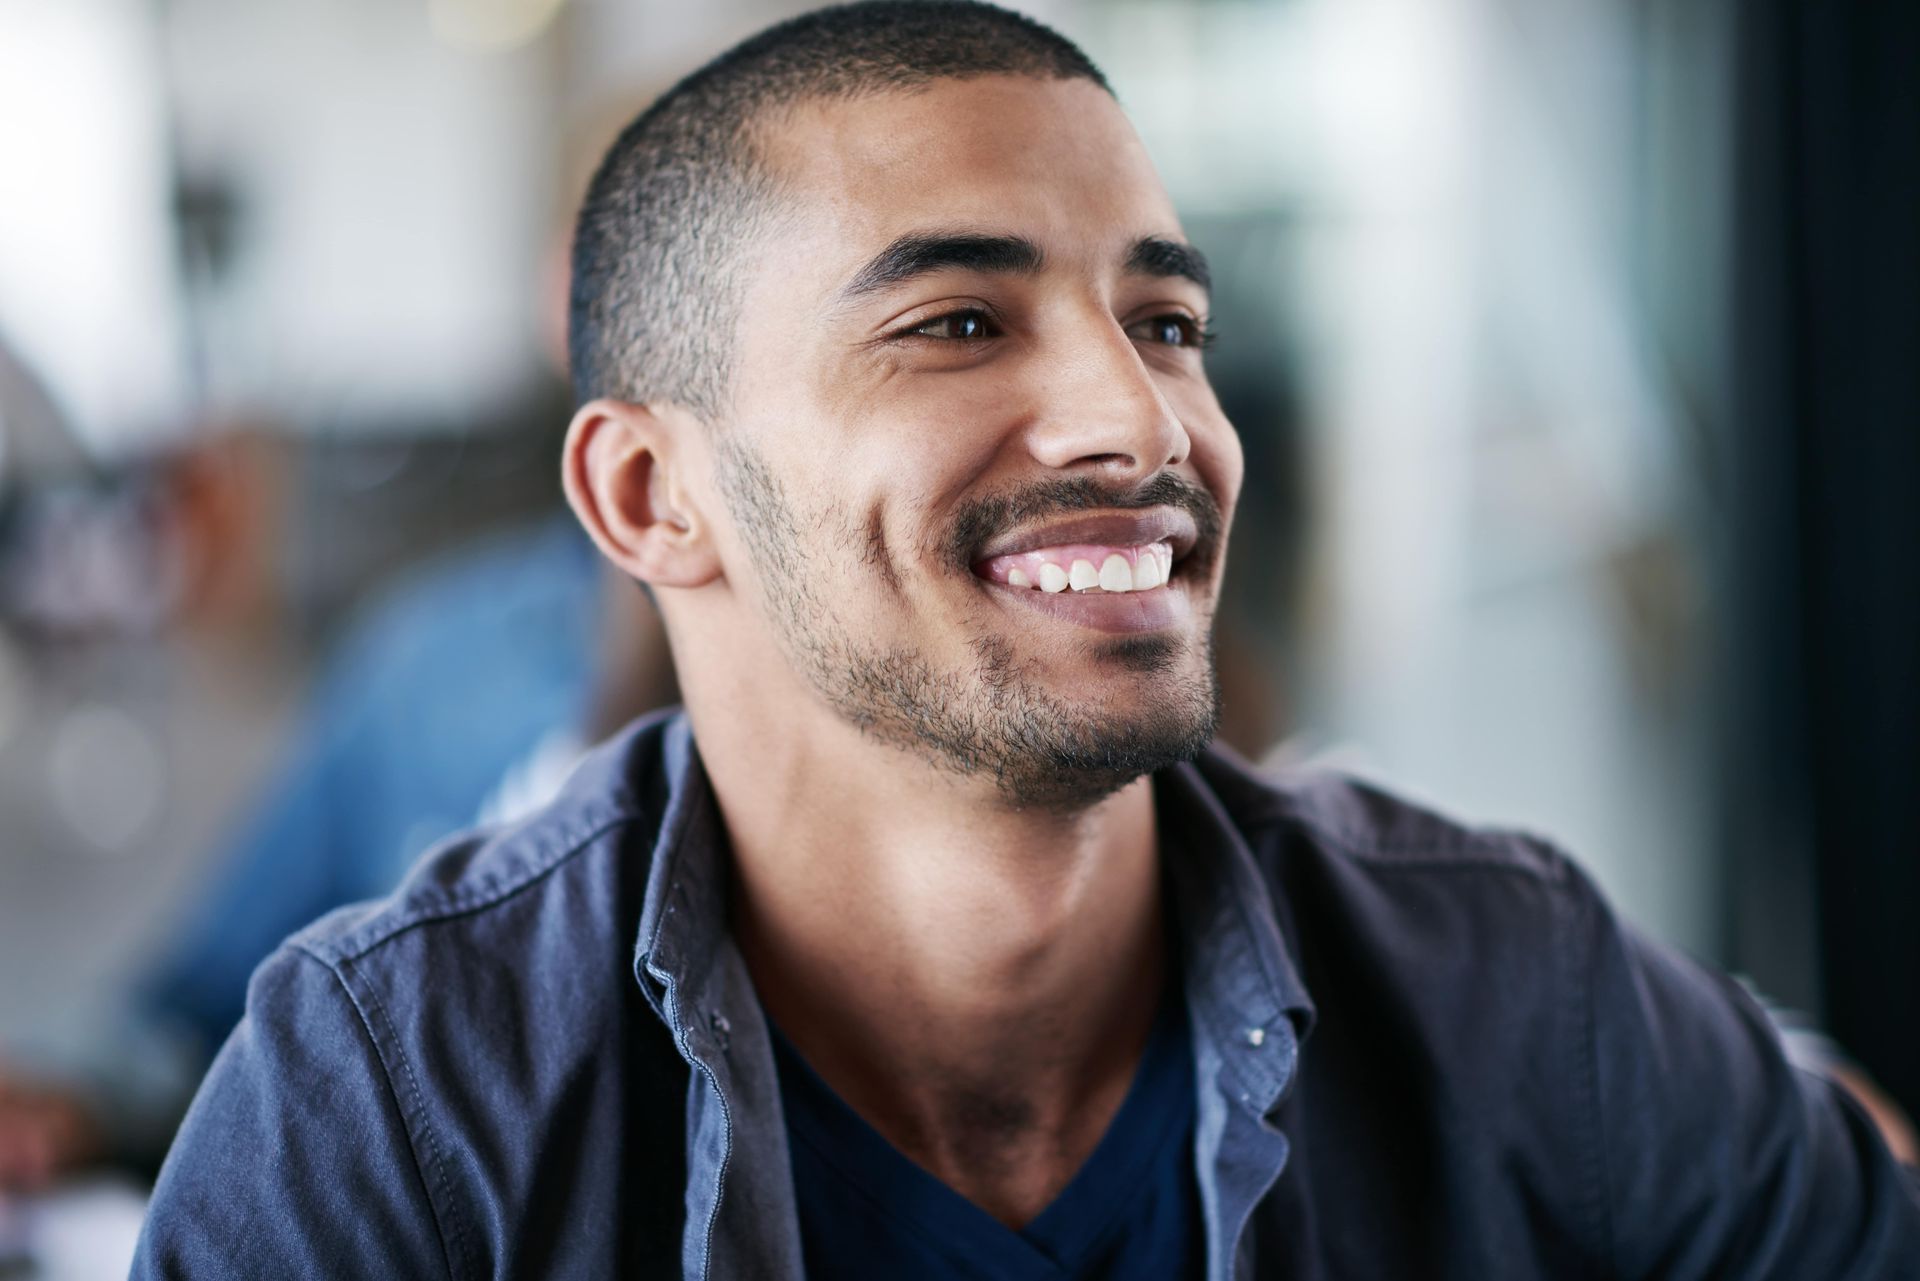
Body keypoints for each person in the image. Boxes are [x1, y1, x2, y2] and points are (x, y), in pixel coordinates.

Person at [133, 3, 1920, 1277]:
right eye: (961, 319)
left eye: (1168, 315)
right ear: (651, 494)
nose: (1138, 418)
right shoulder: (396, 1102)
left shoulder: (1505, 978)